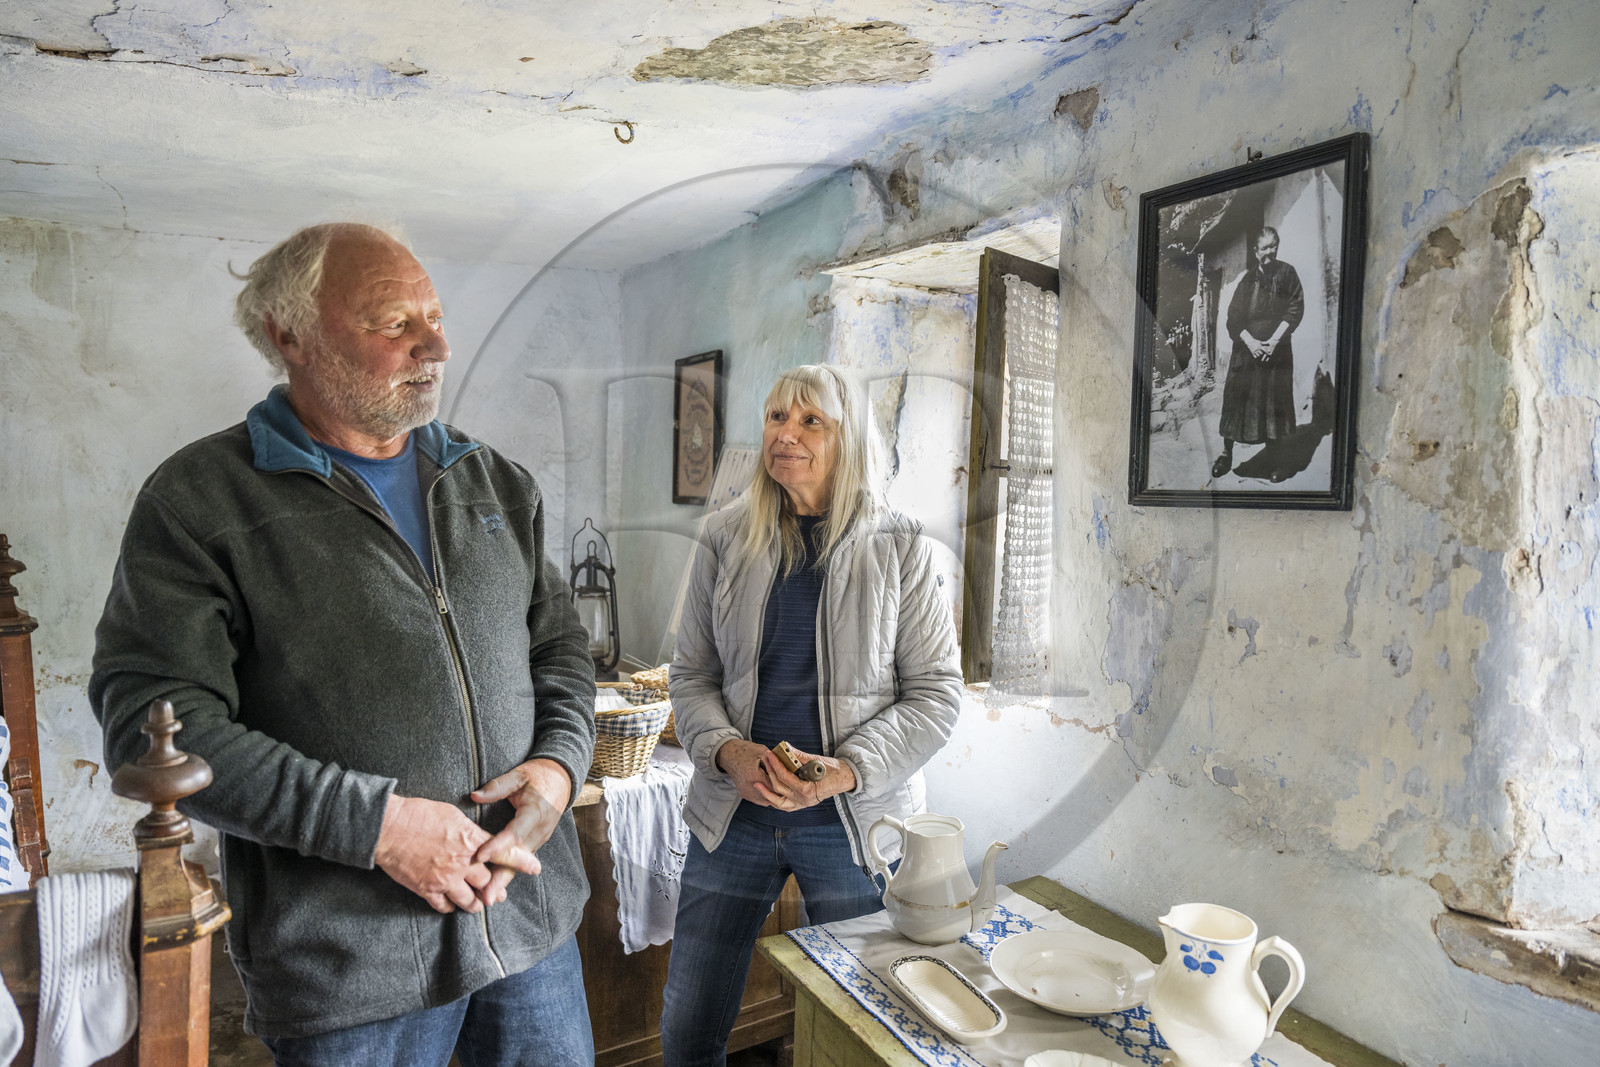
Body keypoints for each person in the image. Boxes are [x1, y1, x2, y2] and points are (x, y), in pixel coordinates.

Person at [90, 223, 598, 1065]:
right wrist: (380, 827)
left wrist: (558, 768)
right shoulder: (199, 499)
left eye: (433, 318)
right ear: (290, 334)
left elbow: (561, 652)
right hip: (350, 975)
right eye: (393, 322)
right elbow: (154, 726)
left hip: (529, 931)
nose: (433, 344)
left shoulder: (494, 481)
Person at [660, 364, 962, 1066]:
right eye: (774, 418)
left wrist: (848, 770)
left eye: (808, 421)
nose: (784, 434)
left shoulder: (903, 544)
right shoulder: (723, 536)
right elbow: (692, 674)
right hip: (733, 815)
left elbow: (937, 693)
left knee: (864, 1022)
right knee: (689, 1021)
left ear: (847, 439)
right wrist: (727, 750)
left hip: (853, 827)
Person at [1213, 226, 1305, 481]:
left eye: (1273, 245)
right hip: (1247, 351)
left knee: (1275, 403)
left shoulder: (1288, 274)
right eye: (1264, 248)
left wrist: (1274, 342)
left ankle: (1276, 459)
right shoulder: (1247, 281)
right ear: (1255, 252)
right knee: (1235, 400)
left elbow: (1295, 309)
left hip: (1277, 351)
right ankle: (1225, 453)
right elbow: (1234, 319)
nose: (1270, 252)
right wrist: (1252, 343)